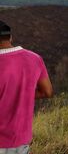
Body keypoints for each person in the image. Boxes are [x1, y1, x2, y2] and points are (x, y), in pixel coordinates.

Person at [0, 20, 53, 154]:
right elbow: (47, 92)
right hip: (21, 139)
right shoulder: (34, 58)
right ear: (10, 37)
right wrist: (23, 94)